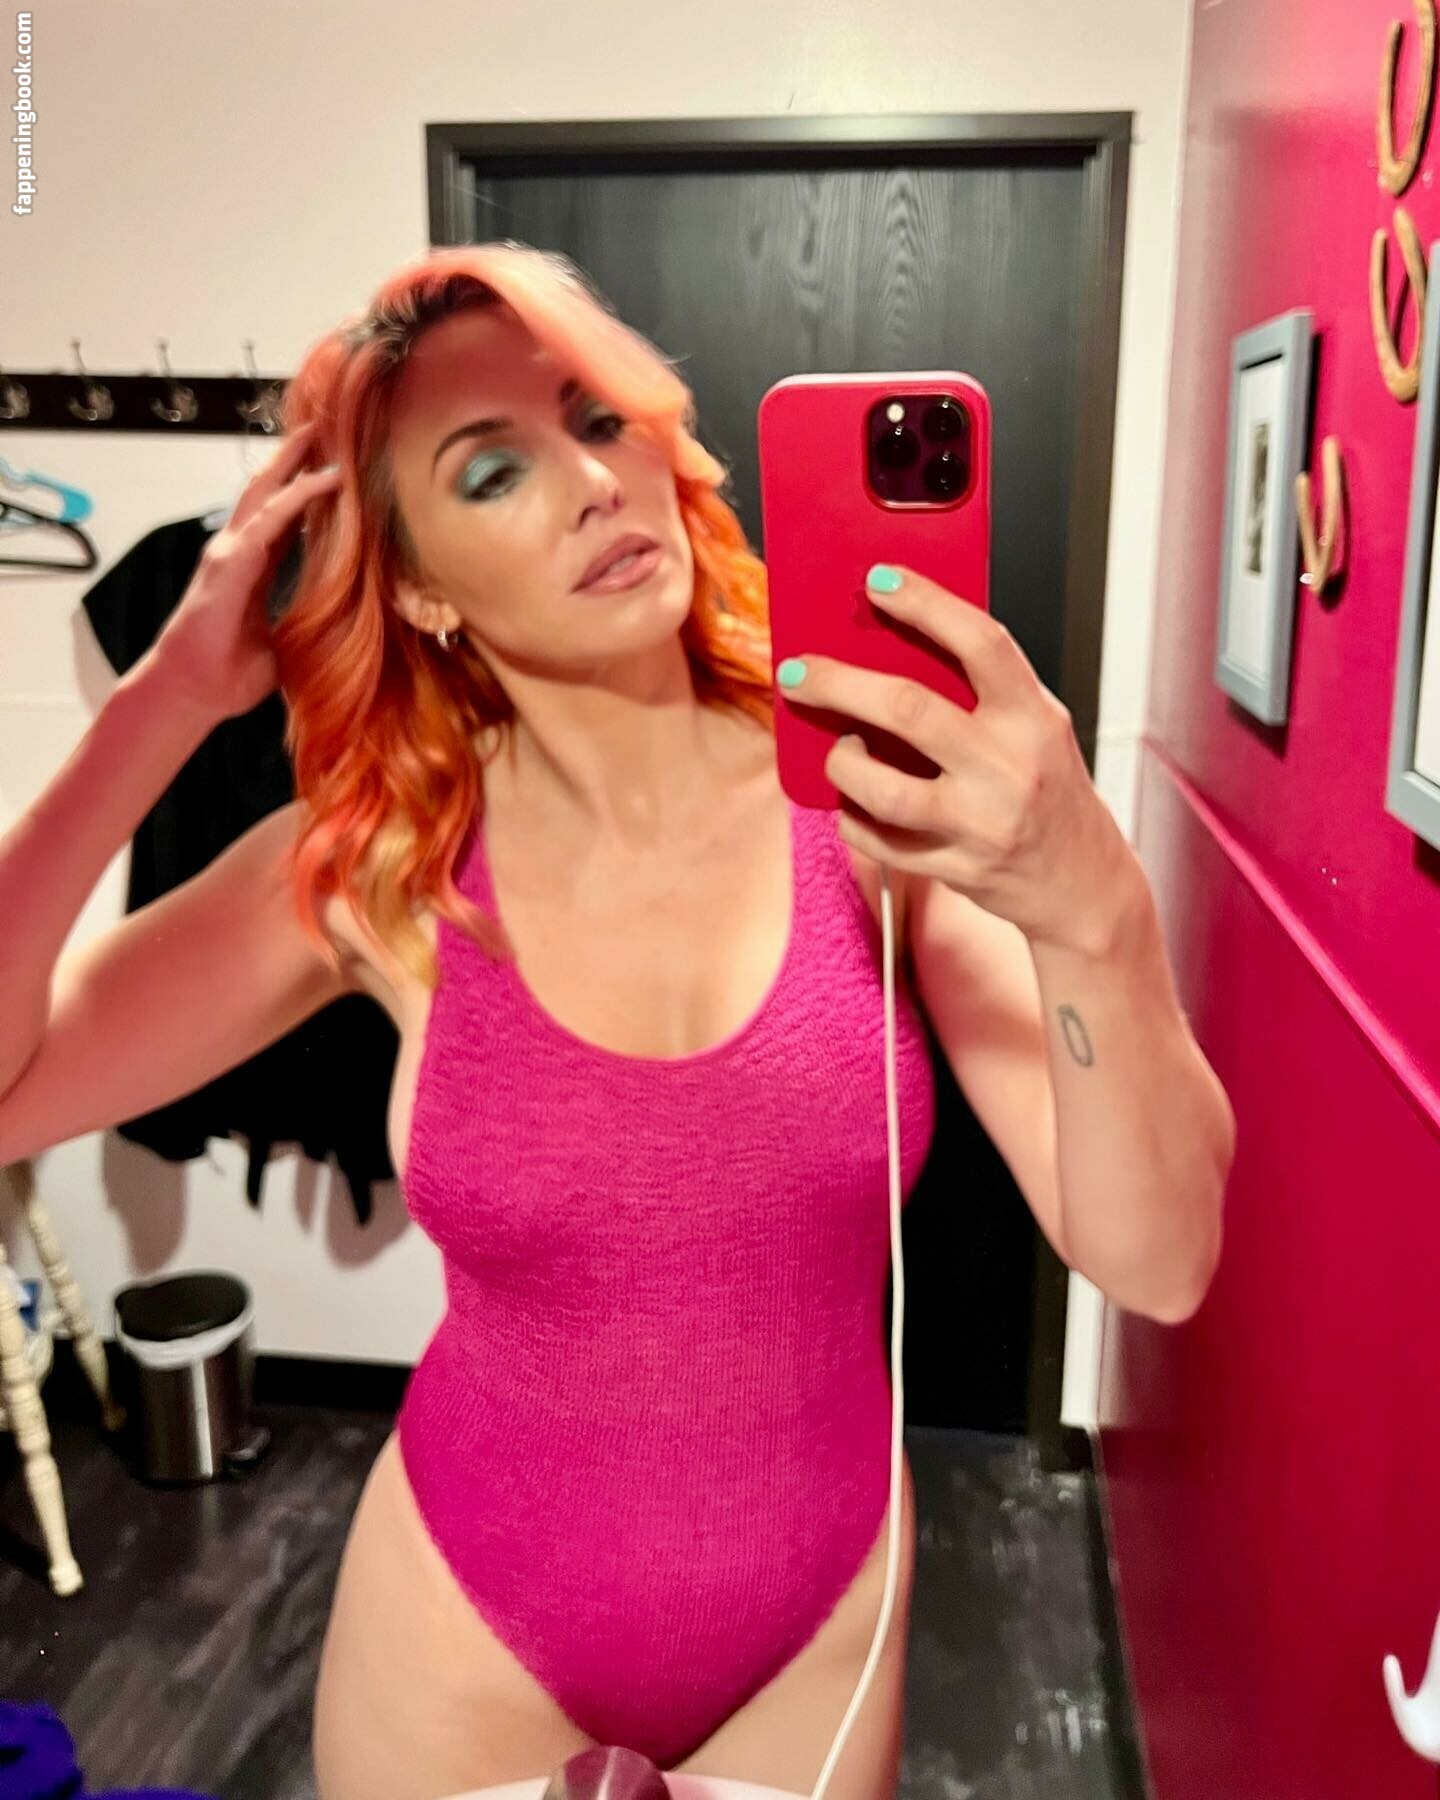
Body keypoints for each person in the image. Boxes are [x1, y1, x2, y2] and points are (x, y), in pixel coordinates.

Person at [0, 243, 1232, 1800]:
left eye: (599, 419)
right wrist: (167, 700)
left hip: (817, 1637)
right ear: (423, 587)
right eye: (492, 467)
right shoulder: (383, 865)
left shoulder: (875, 807)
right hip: (466, 1636)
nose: (589, 483)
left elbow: (1159, 1261)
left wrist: (1094, 907)